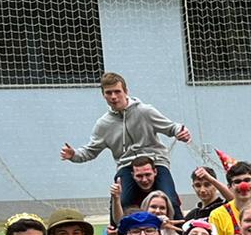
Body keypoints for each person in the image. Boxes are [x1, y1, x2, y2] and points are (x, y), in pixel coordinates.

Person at [60, 71, 192, 212]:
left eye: (117, 91)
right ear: (103, 95)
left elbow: (171, 127)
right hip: (127, 166)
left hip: (156, 162)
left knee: (170, 199)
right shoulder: (103, 124)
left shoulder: (145, 111)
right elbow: (90, 151)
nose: (113, 96)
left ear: (126, 91)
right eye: (109, 93)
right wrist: (74, 155)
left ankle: (181, 225)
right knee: (121, 201)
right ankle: (118, 226)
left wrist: (181, 132)